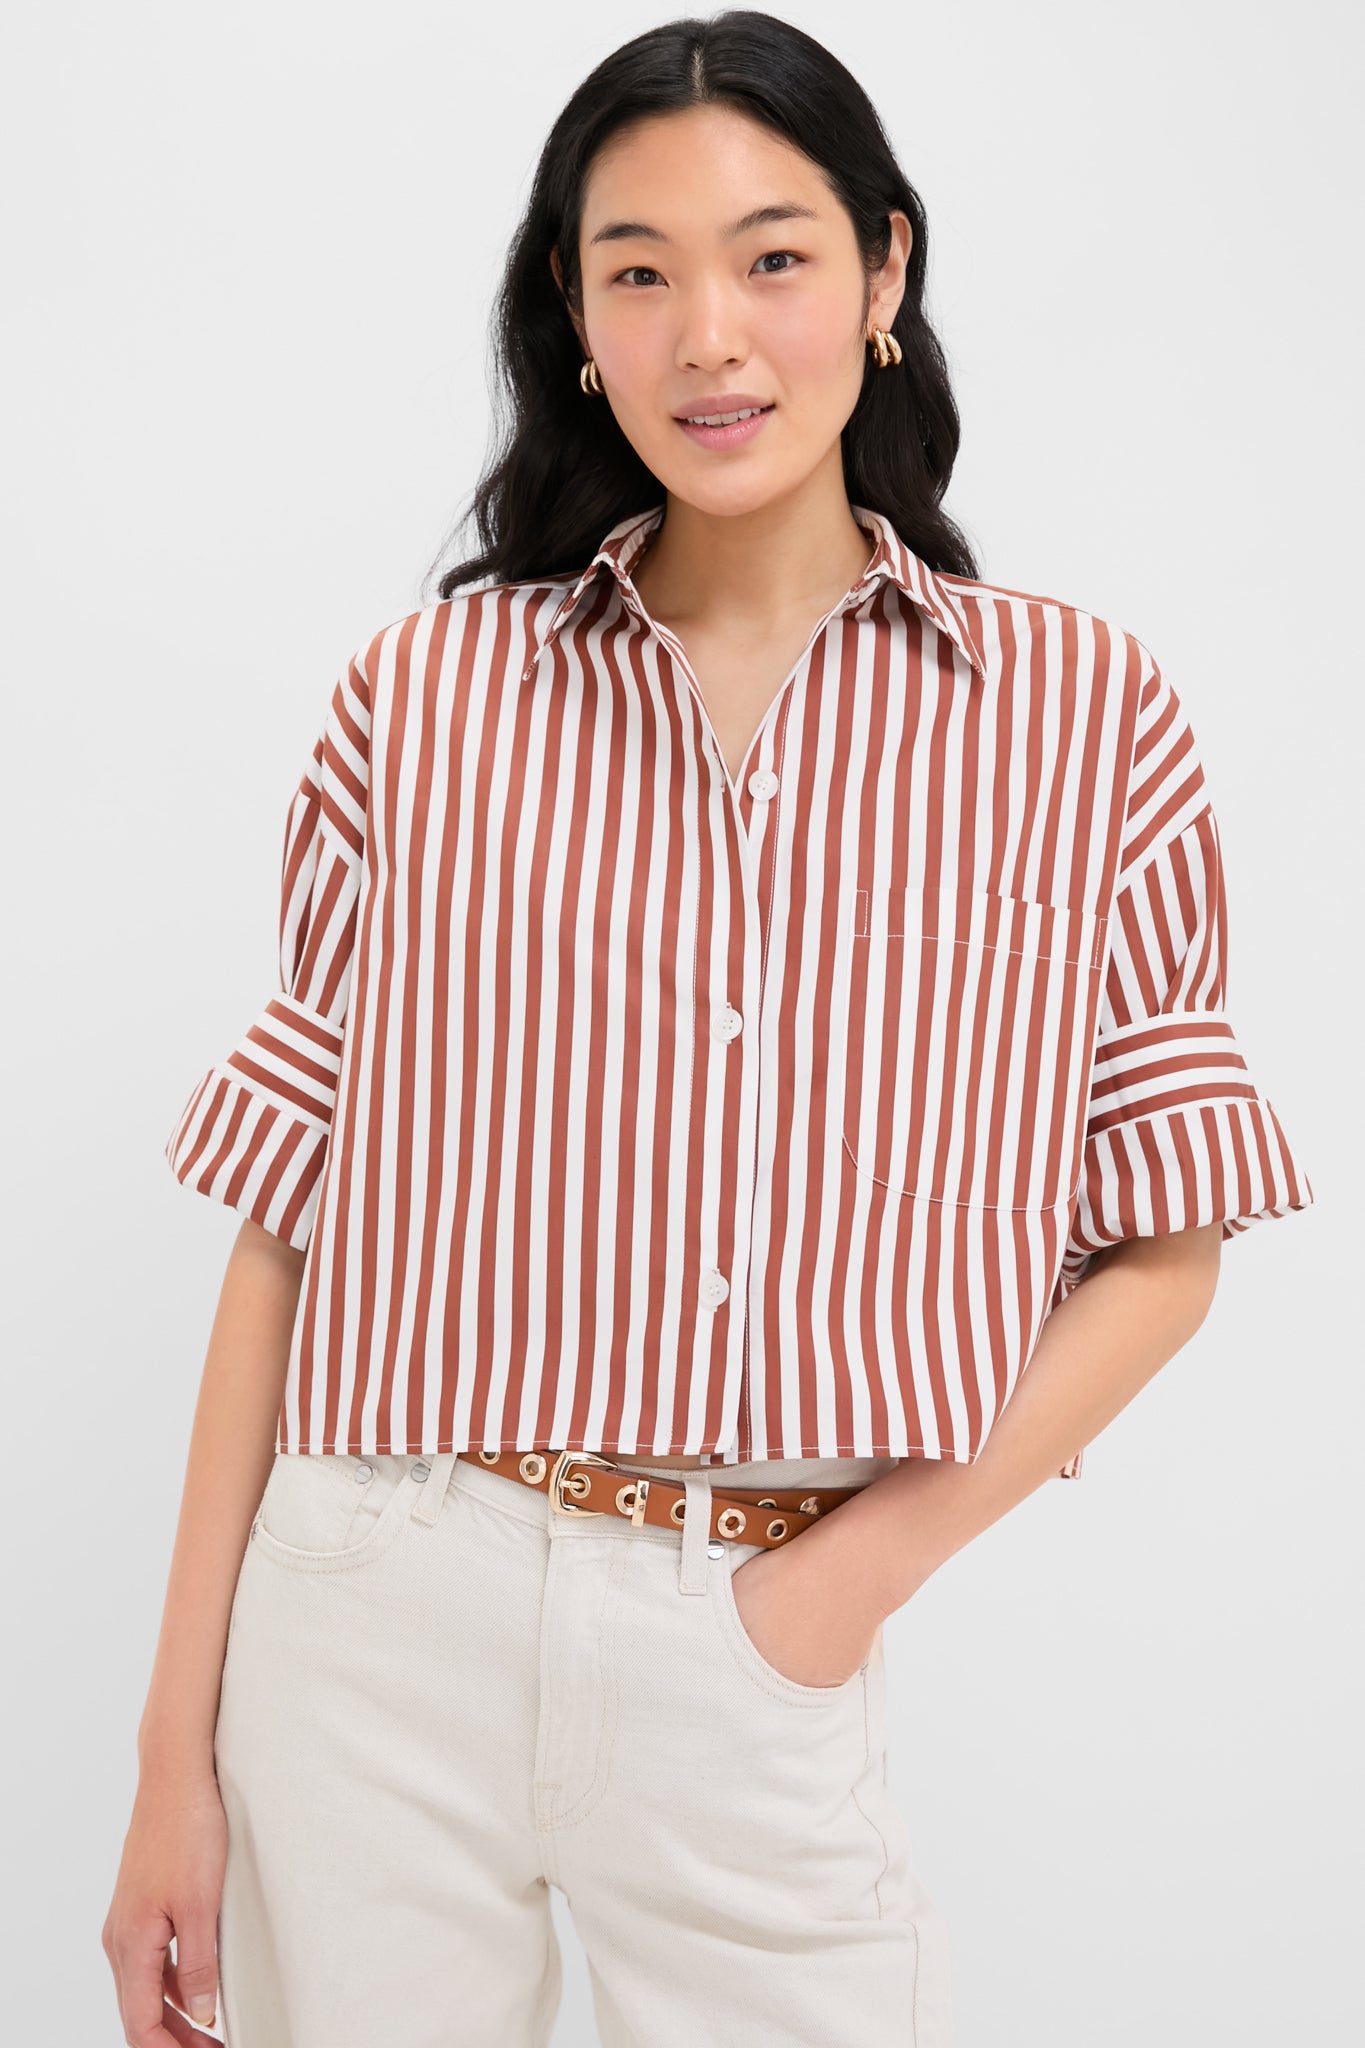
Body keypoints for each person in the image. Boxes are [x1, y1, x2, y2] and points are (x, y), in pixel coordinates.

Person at [102, 13, 1314, 2047]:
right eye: (638, 271)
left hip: (755, 1633)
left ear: (884, 273)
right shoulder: (428, 699)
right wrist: (172, 1759)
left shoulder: (1078, 719)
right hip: (371, 1612)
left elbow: (1162, 1250)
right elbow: (286, 1236)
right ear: (574, 318)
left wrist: (836, 1587)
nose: (707, 337)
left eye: (771, 257)